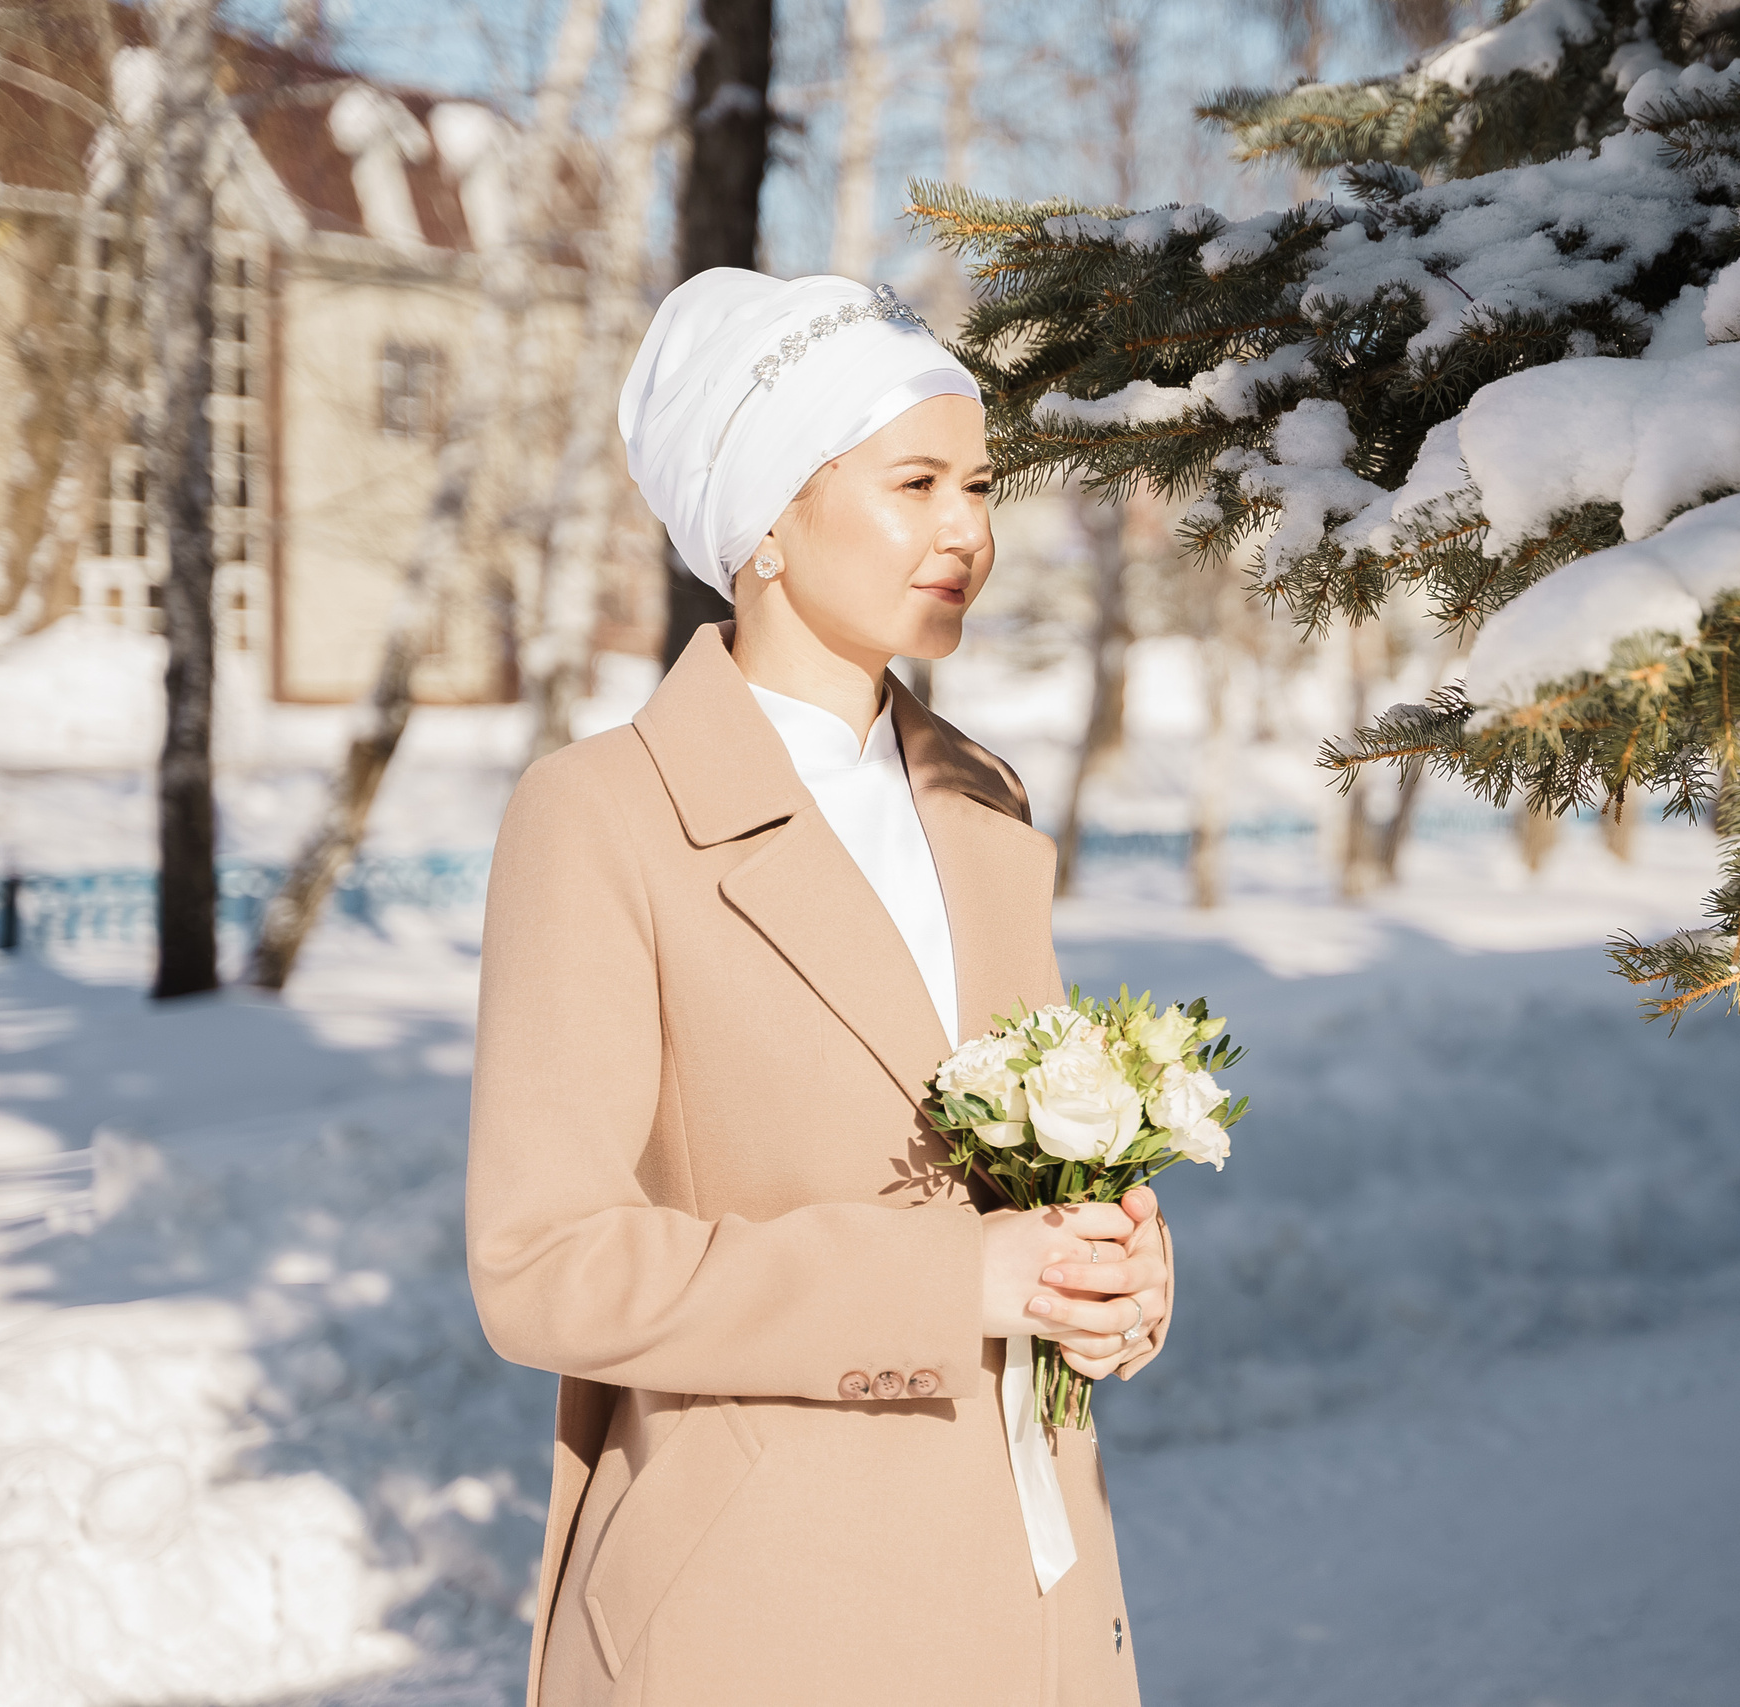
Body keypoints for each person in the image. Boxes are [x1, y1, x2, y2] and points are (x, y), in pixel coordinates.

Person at [465, 269, 1172, 1707]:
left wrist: (1111, 1277)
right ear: (770, 522)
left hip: (1031, 1597)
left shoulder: (981, 801)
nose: (967, 530)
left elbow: (1016, 1197)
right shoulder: (604, 815)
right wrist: (953, 1279)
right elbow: (543, 1268)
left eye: (979, 485)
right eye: (915, 484)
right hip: (759, 1615)